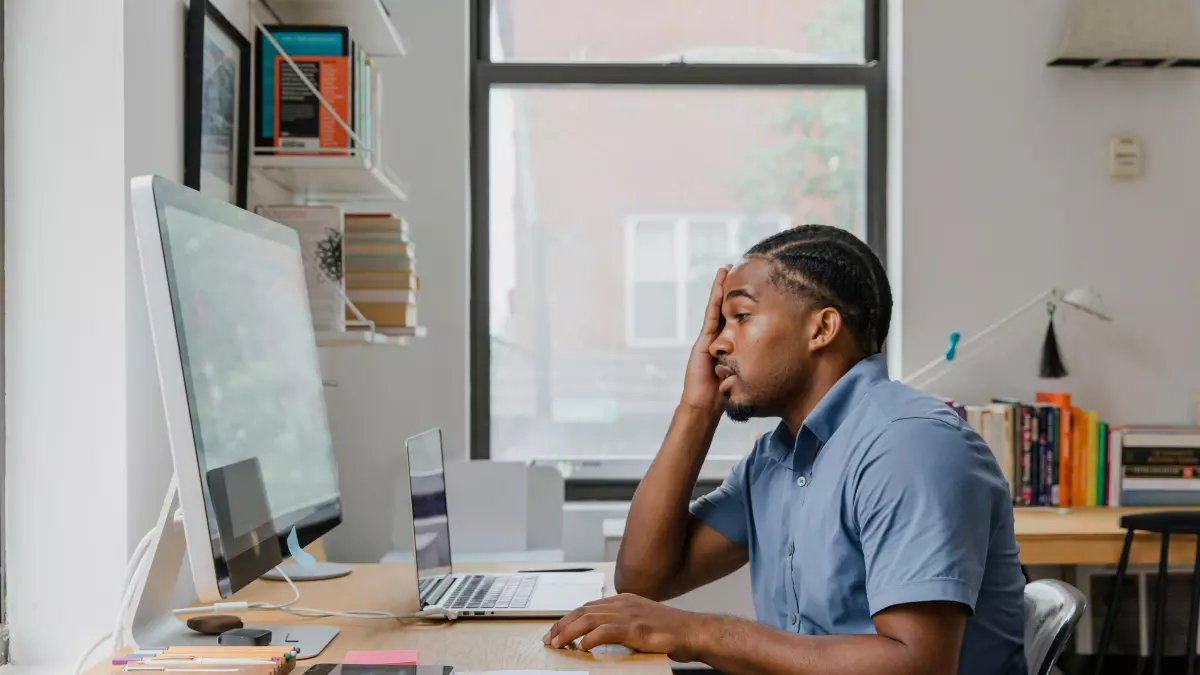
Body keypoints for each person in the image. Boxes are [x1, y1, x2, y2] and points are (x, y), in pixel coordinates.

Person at [543, 225, 1027, 675]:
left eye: (741, 317)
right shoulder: (776, 459)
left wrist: (698, 631)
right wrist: (697, 408)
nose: (715, 344)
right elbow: (644, 579)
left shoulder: (908, 446)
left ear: (821, 329)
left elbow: (917, 664)